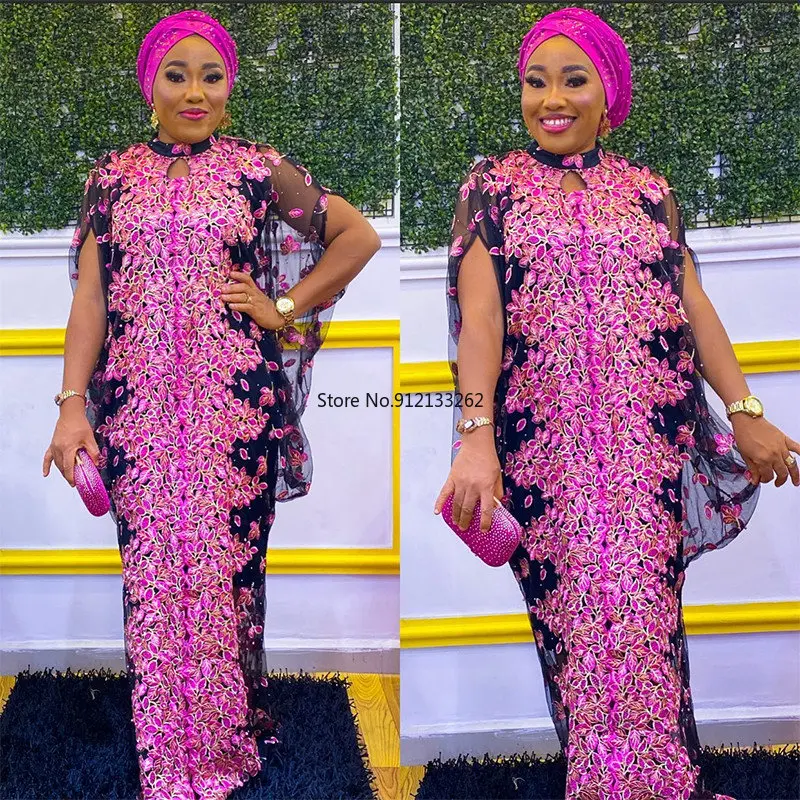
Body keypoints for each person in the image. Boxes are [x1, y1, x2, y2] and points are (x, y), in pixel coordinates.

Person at [434, 7, 799, 799]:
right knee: (575, 622)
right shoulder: (491, 191)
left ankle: (666, 784)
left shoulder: (649, 193)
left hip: (646, 447)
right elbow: (481, 321)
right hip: (547, 451)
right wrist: (475, 437)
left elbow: (692, 304)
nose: (551, 99)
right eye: (535, 82)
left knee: (645, 618)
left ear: (609, 94)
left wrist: (745, 411)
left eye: (573, 80)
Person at [41, 10, 381, 799]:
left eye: (212, 76)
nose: (195, 91)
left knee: (227, 573)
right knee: (155, 576)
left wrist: (283, 306)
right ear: (150, 86)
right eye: (177, 74)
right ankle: (170, 754)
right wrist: (70, 405)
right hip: (137, 412)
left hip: (235, 408)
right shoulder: (111, 178)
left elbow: (356, 238)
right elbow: (91, 300)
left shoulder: (258, 170)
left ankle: (227, 737)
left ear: (229, 87)